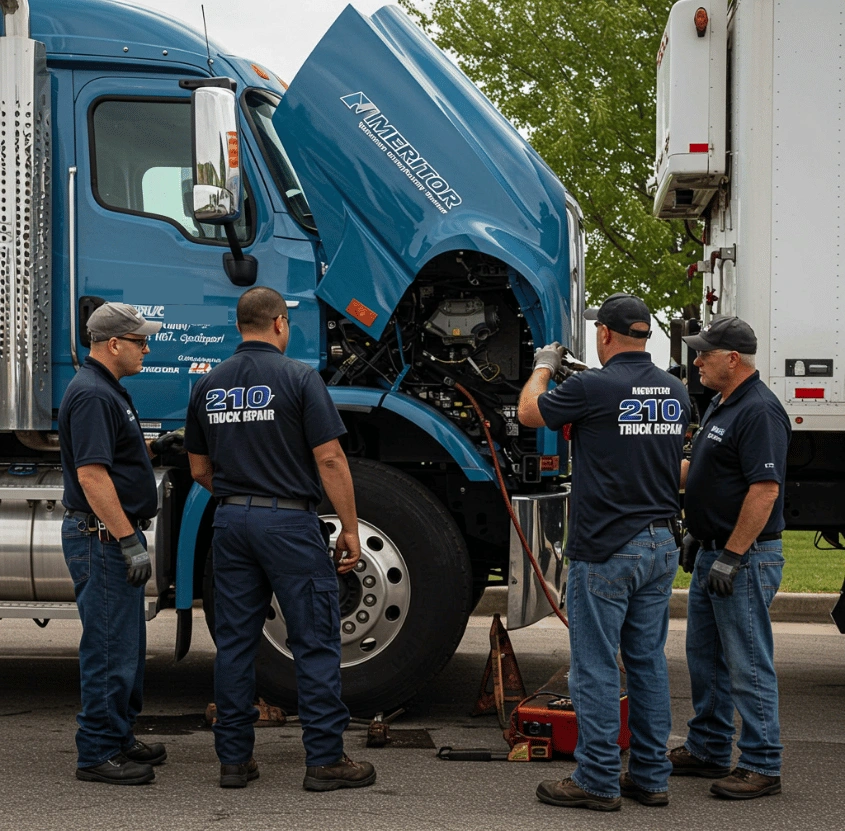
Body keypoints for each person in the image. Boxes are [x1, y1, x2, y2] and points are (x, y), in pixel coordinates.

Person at [183, 286, 375, 791]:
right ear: (280, 324)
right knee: (313, 640)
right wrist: (349, 527)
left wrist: (239, 496)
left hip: (230, 523)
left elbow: (198, 468)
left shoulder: (209, 385)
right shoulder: (299, 378)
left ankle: (233, 761)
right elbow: (329, 458)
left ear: (238, 325)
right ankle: (325, 760)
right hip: (288, 525)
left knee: (234, 644)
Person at [519, 292, 690, 811]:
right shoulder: (675, 390)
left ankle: (596, 779)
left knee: (593, 667)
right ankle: (651, 777)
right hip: (661, 542)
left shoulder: (592, 387)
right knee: (646, 663)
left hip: (608, 546)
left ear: (605, 334)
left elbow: (529, 412)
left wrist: (544, 366)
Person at [59, 302, 183, 785]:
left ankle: (119, 734)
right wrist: (129, 539)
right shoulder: (93, 394)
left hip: (109, 534)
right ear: (113, 344)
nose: (146, 349)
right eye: (140, 341)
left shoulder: (107, 389)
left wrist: (155, 448)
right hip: (102, 537)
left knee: (126, 645)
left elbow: (114, 455)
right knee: (109, 648)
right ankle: (97, 752)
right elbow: (92, 475)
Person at [670, 316, 790, 799]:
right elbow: (702, 471)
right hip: (713, 551)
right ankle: (709, 747)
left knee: (746, 661)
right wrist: (699, 535)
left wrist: (733, 553)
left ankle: (762, 764)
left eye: (705, 353)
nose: (697, 360)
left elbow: (765, 490)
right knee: (706, 659)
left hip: (744, 558)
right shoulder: (723, 404)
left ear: (733, 359)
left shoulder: (758, 410)